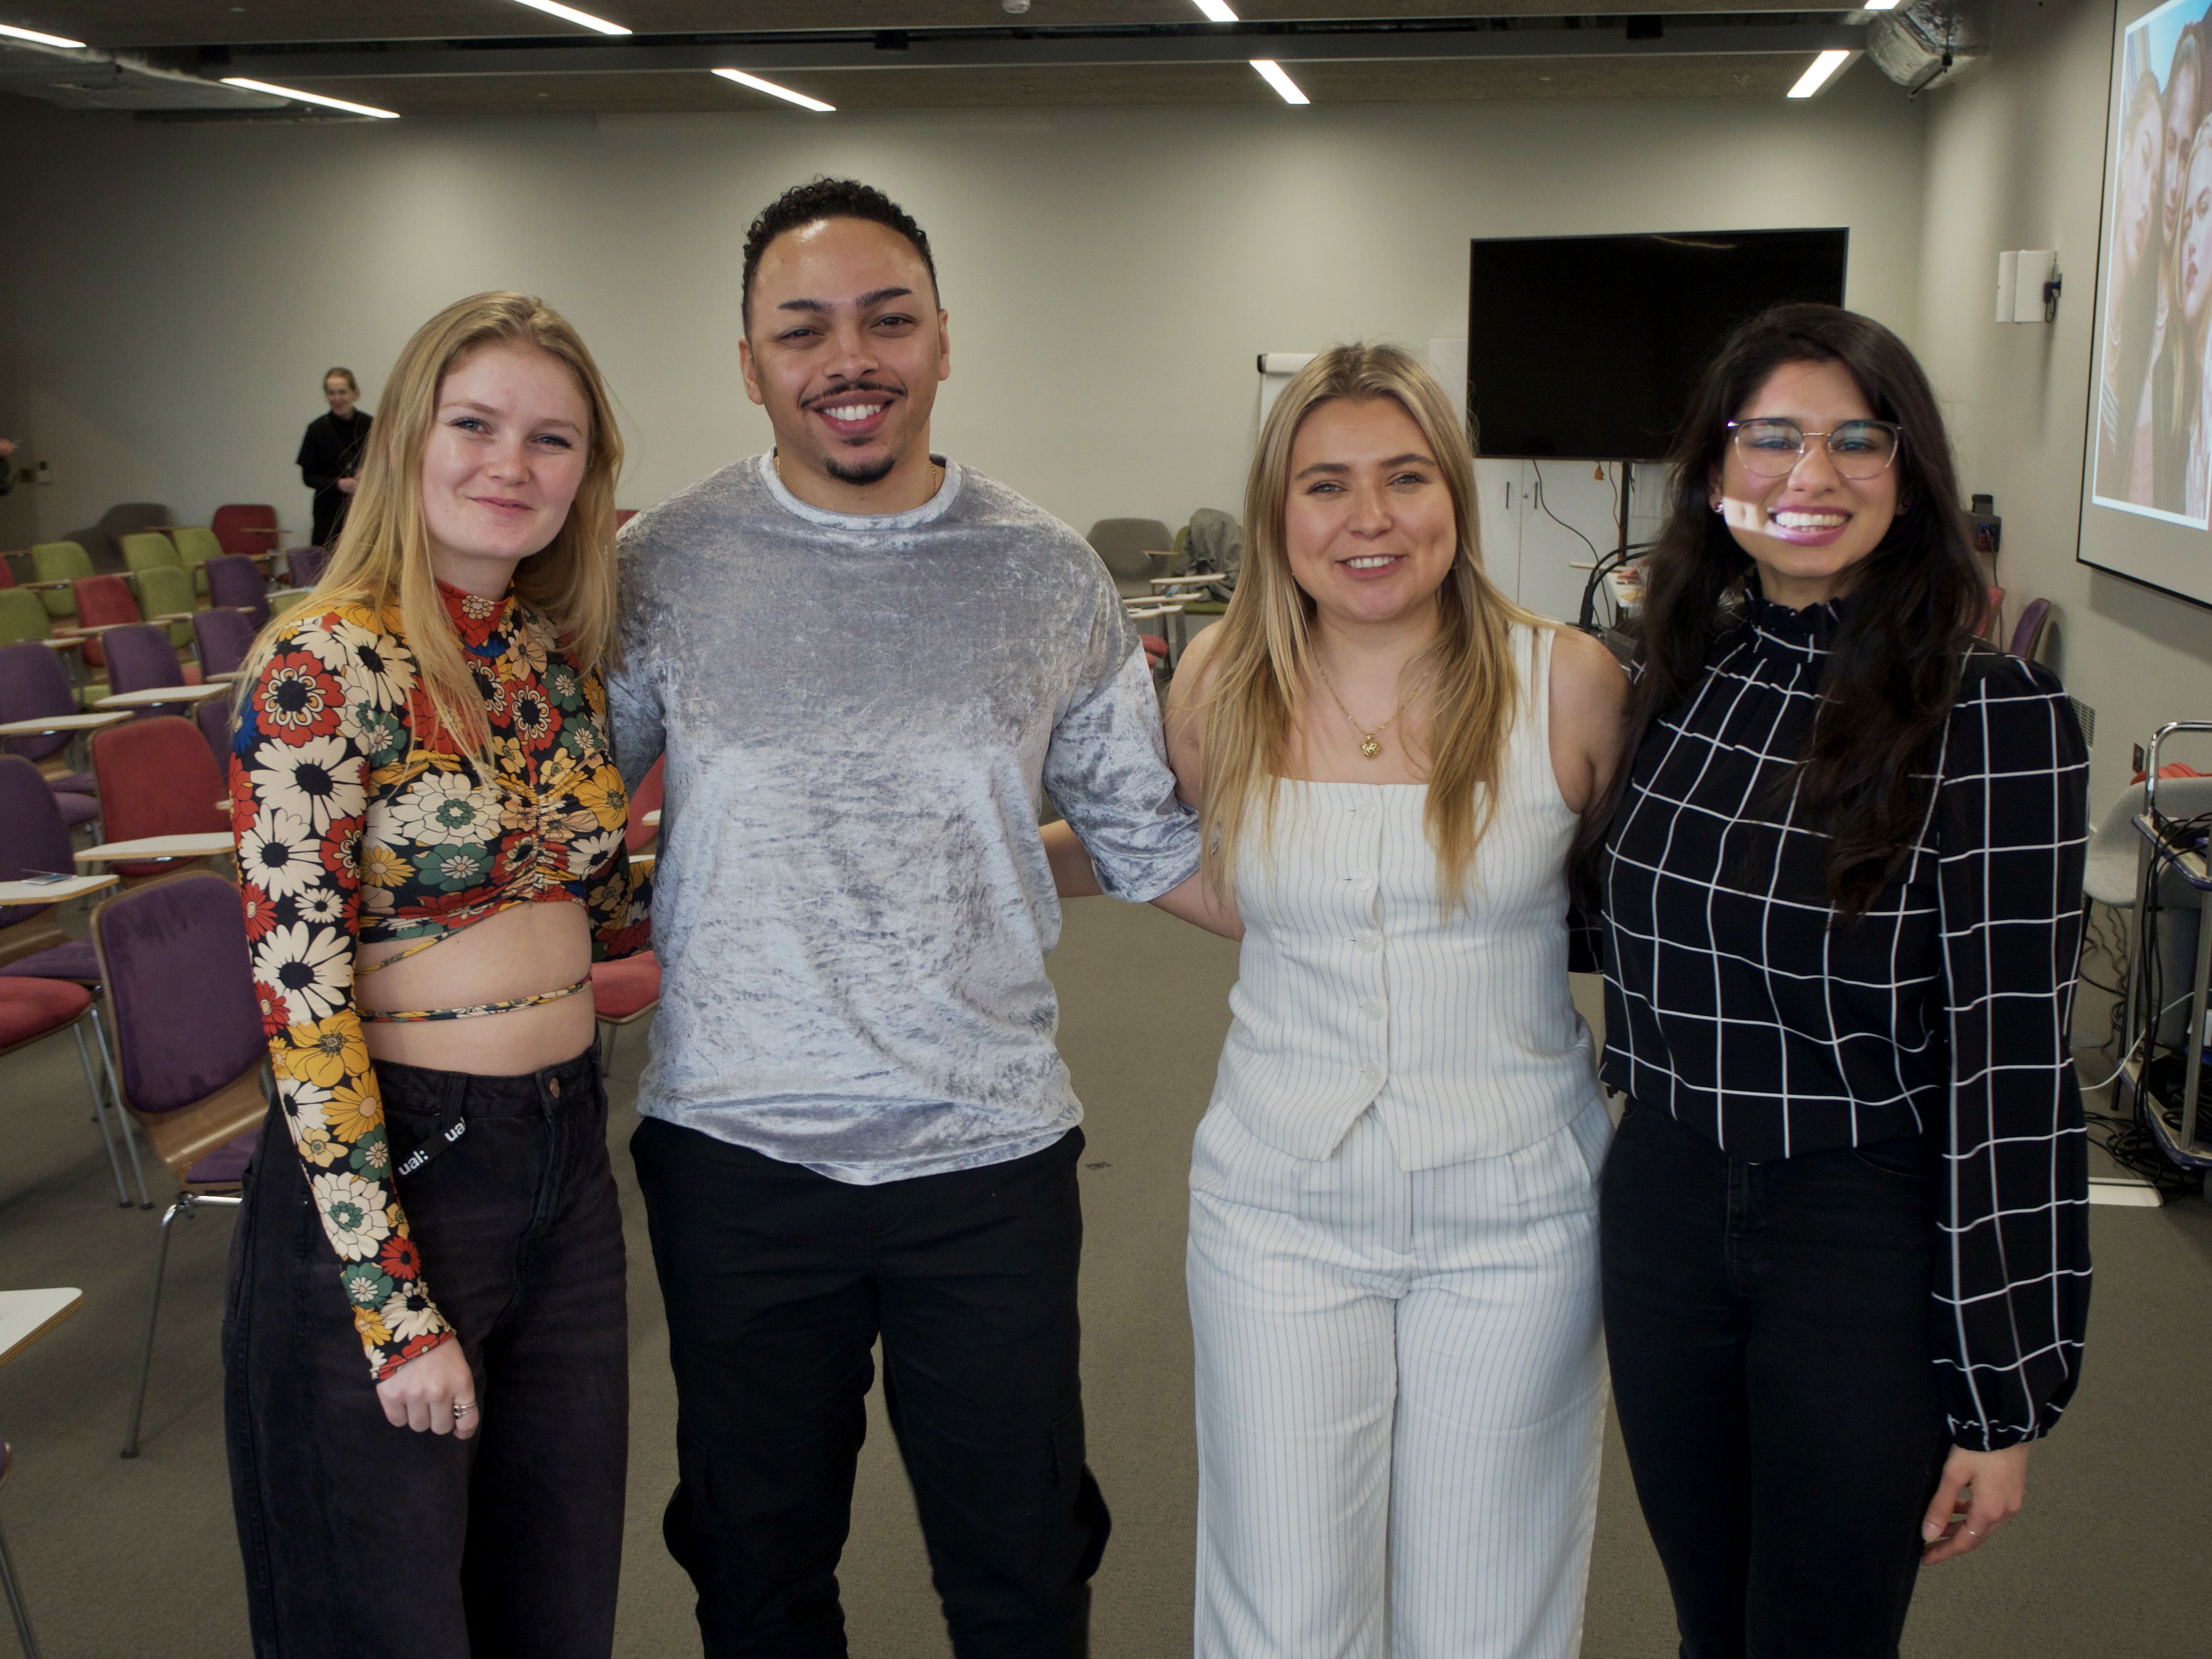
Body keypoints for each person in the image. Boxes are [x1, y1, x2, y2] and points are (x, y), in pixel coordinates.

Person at [607, 178, 1209, 1658]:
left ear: (943, 340)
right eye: (802, 329)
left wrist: (1416, 900)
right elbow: (548, 821)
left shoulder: (1045, 571)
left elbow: (1143, 841)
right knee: (756, 1575)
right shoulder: (660, 570)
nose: (849, 358)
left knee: (1023, 1574)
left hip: (987, 1156)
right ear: (749, 364)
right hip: (738, 1154)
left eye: (887, 320)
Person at [1049, 343, 1627, 1657]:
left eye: (1405, 477)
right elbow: (1200, 865)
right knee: (1283, 1606)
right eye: (1326, 485)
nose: (1370, 518)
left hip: (1518, 1213)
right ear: (1278, 511)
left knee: (1488, 1608)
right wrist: (978, 857)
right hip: (1279, 1206)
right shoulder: (1218, 684)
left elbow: (1650, 913)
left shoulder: (1569, 684)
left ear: (1454, 494)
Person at [1589, 303, 2091, 1657]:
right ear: (1715, 471)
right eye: (1773, 439)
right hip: (1665, 1200)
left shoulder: (1994, 716)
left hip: (1860, 1226)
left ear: (1909, 476)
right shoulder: (1683, 676)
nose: (1810, 475)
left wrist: (2002, 1394)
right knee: (1711, 1623)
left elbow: (2012, 1068)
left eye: (1858, 441)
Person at [224, 291, 650, 1659]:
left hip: (563, 1152)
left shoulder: (548, 658)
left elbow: (609, 912)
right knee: (387, 1614)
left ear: (587, 472)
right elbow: (301, 1002)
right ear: (406, 435)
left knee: (557, 1597)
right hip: (399, 1162)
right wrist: (391, 1299)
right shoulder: (320, 662)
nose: (510, 465)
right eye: (475, 425)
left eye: (552, 439)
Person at [2099, 70, 2164, 505]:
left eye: (2158, 185)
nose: (2146, 202)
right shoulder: (2097, 332)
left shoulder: (2141, 353)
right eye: (2144, 158)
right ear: (2123, 152)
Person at [298, 365, 373, 547]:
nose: (337, 399)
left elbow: (387, 464)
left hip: (364, 510)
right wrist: (339, 484)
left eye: (342, 392)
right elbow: (309, 477)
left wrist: (368, 473)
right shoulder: (317, 429)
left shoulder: (370, 425)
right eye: (332, 393)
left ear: (355, 393)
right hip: (329, 514)